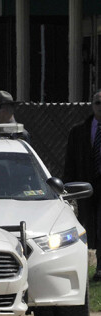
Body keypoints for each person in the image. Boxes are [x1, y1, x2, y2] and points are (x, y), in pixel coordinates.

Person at [63, 89, 101, 280]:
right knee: (85, 227)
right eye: (97, 103)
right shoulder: (80, 131)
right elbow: (70, 161)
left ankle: (100, 268)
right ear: (92, 105)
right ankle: (82, 268)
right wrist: (67, 187)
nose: (100, 107)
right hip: (87, 186)